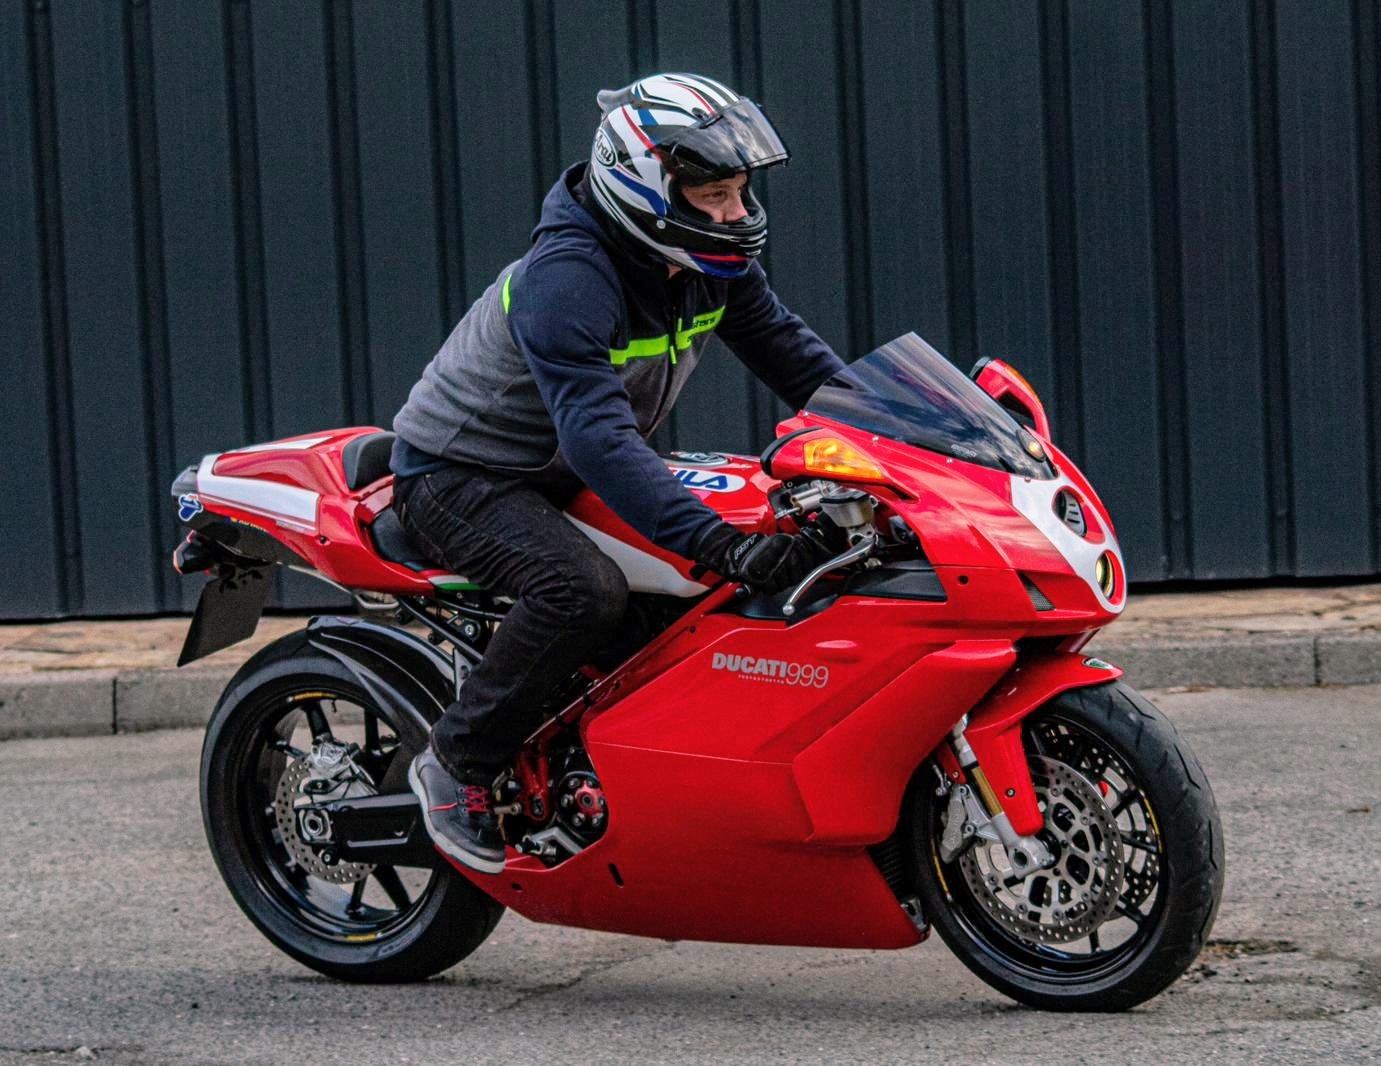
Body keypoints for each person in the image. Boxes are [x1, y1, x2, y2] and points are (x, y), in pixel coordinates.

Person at [392, 72, 846, 873]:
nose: (736, 212)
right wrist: (718, 543)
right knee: (582, 592)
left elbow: (793, 356)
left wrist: (922, 432)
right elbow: (599, 439)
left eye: (740, 192)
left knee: (695, 609)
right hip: (460, 474)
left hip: (565, 468)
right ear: (646, 185)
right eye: (714, 194)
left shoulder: (706, 260)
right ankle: (458, 760)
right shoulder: (568, 278)